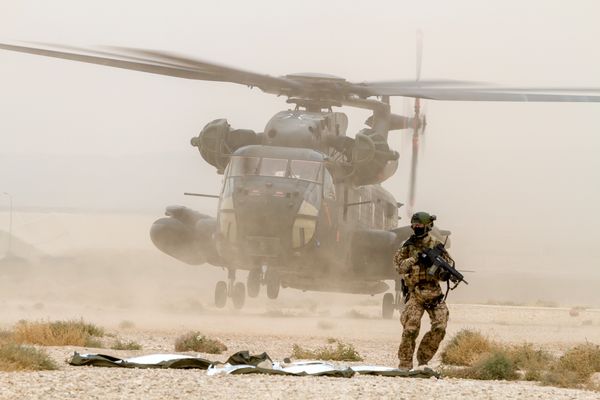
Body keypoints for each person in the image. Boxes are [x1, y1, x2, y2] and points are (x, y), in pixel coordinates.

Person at [393, 211, 453, 370]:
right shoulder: (407, 246)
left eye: (419, 225)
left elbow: (447, 267)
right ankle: (405, 364)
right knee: (410, 328)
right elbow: (399, 267)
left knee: (440, 327)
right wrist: (416, 258)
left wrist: (444, 273)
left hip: (434, 294)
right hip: (415, 293)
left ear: (428, 226)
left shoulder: (437, 245)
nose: (416, 227)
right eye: (414, 225)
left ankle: (423, 360)